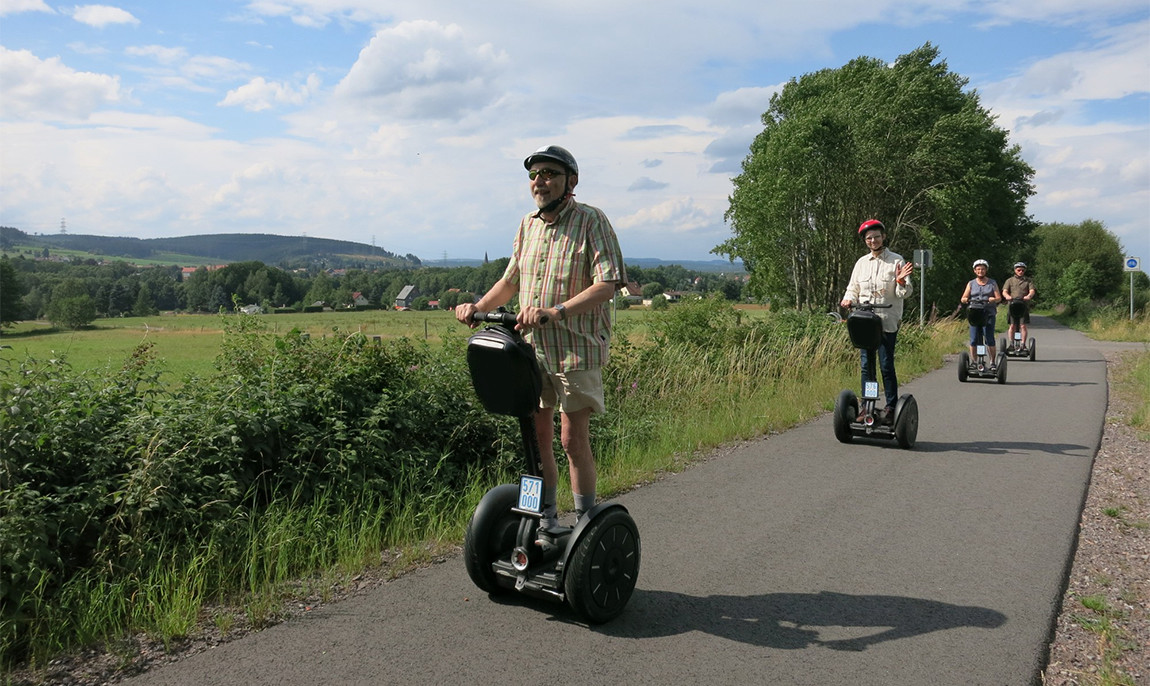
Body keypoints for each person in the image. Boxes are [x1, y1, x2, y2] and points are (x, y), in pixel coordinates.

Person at [456, 144, 626, 542]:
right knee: (534, 440)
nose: (540, 182)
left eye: (549, 173)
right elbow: (510, 281)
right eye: (535, 175)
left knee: (571, 439)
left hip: (576, 348)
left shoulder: (591, 221)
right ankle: (541, 518)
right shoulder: (527, 225)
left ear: (571, 181)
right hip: (530, 352)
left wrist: (556, 310)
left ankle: (585, 523)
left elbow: (608, 283)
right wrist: (477, 306)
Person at [840, 219, 914, 424]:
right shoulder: (861, 263)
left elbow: (905, 292)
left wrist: (900, 281)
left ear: (883, 237)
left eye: (876, 236)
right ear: (865, 240)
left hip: (886, 320)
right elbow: (853, 287)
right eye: (869, 238)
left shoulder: (896, 261)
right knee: (866, 365)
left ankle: (891, 406)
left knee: (886, 364)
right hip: (864, 322)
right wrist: (848, 299)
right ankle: (867, 404)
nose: (873, 240)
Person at [960, 259, 1002, 367]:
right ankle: (974, 362)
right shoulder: (971, 283)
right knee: (974, 339)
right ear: (975, 271)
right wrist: (965, 299)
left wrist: (993, 299)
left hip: (988, 313)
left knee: (989, 338)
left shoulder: (992, 283)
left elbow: (999, 298)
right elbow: (964, 297)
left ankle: (992, 362)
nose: (980, 271)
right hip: (974, 313)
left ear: (986, 270)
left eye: (982, 269)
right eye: (978, 269)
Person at [1001, 261, 1036, 349]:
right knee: (1012, 325)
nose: (1020, 271)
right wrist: (1007, 296)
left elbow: (1032, 291)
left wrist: (1029, 296)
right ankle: (1011, 343)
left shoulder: (1028, 281)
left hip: (1023, 305)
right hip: (1012, 305)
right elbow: (1004, 291)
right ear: (1015, 270)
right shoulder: (1010, 280)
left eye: (1022, 270)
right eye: (1019, 270)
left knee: (1023, 325)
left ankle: (1022, 344)